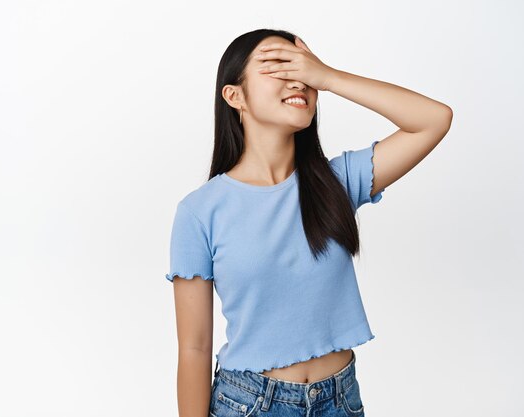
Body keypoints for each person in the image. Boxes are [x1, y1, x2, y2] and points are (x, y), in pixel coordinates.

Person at [165, 29, 452, 417]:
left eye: (303, 70)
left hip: (340, 400)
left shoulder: (337, 183)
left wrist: (328, 76)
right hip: (249, 403)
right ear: (235, 96)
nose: (298, 80)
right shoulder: (199, 212)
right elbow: (194, 348)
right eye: (278, 67)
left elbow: (434, 120)